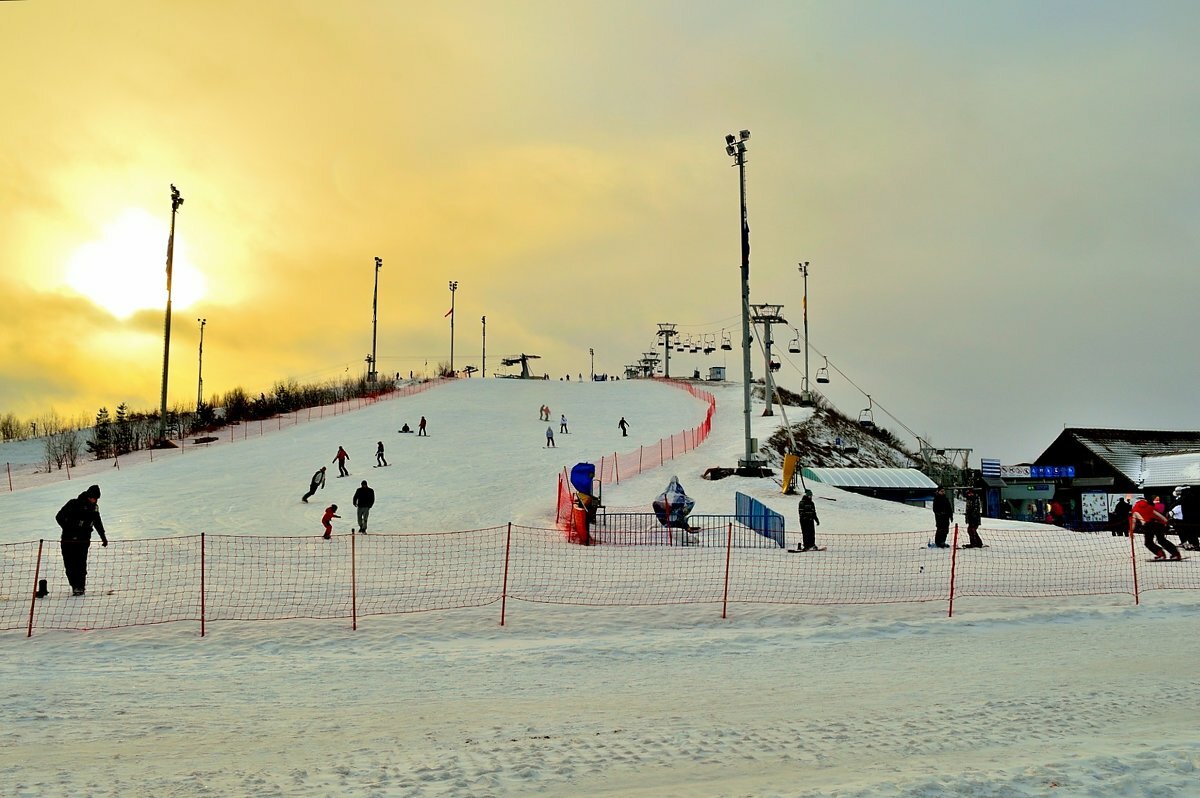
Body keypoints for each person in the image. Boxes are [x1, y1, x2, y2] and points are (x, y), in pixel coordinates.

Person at [55, 484, 108, 596]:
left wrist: (103, 537)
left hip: (83, 540)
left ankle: (80, 587)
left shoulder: (94, 508)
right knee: (70, 564)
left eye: (97, 499)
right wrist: (70, 528)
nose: (95, 500)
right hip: (68, 540)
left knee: (80, 564)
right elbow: (59, 517)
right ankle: (74, 586)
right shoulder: (73, 503)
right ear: (89, 496)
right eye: (94, 498)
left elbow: (98, 522)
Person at [1131, 495, 1180, 560]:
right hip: (1158, 524)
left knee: (1148, 542)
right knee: (1161, 540)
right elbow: (1159, 515)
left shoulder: (1135, 509)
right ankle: (1176, 554)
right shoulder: (1150, 507)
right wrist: (1166, 522)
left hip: (1148, 525)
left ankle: (1160, 554)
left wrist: (1131, 531)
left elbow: (1133, 521)